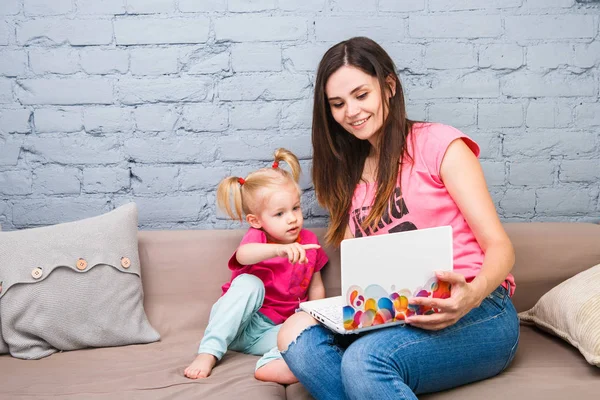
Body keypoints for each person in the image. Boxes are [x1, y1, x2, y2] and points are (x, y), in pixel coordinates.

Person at [277, 37, 519, 399]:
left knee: (363, 360)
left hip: (480, 310)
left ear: (388, 87)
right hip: (398, 312)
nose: (351, 112)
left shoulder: (440, 144)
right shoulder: (348, 176)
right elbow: (369, 271)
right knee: (293, 334)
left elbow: (501, 247)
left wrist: (470, 297)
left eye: (361, 95)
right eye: (338, 104)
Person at [184, 148, 328, 384]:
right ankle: (208, 352)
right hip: (240, 320)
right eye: (279, 214)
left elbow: (316, 287)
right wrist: (279, 250)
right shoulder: (258, 238)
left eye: (295, 208)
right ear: (256, 221)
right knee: (250, 283)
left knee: (306, 333)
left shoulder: (310, 242)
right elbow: (243, 255)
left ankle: (272, 365)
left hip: (268, 332)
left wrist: (315, 319)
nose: (292, 218)